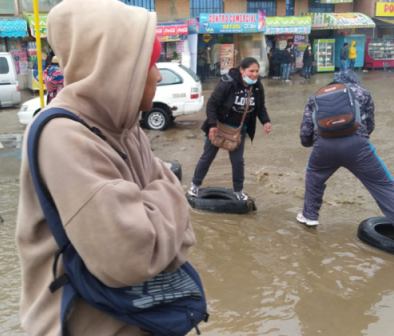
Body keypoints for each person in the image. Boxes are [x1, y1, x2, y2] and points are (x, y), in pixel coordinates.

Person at [16, 0, 198, 334]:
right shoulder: (63, 135)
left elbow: (182, 241)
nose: (158, 74)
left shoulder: (126, 128)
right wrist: (170, 192)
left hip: (139, 318)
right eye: (150, 62)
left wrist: (156, 211)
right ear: (116, 65)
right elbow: (134, 256)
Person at [297, 69, 394, 246]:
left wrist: (312, 144)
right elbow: (369, 124)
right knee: (383, 185)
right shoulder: (362, 92)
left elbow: (306, 131)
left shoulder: (316, 96)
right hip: (357, 146)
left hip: (324, 147)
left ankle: (310, 216)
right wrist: (359, 139)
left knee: (314, 176)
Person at [188, 57, 272, 201]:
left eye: (257, 71)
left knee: (238, 161)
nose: (254, 74)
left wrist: (266, 121)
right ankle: (194, 186)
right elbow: (212, 104)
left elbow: (260, 107)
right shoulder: (228, 83)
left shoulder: (257, 87)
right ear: (242, 70)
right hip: (218, 127)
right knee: (207, 157)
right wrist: (212, 125)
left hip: (238, 131)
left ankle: (238, 191)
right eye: (251, 71)